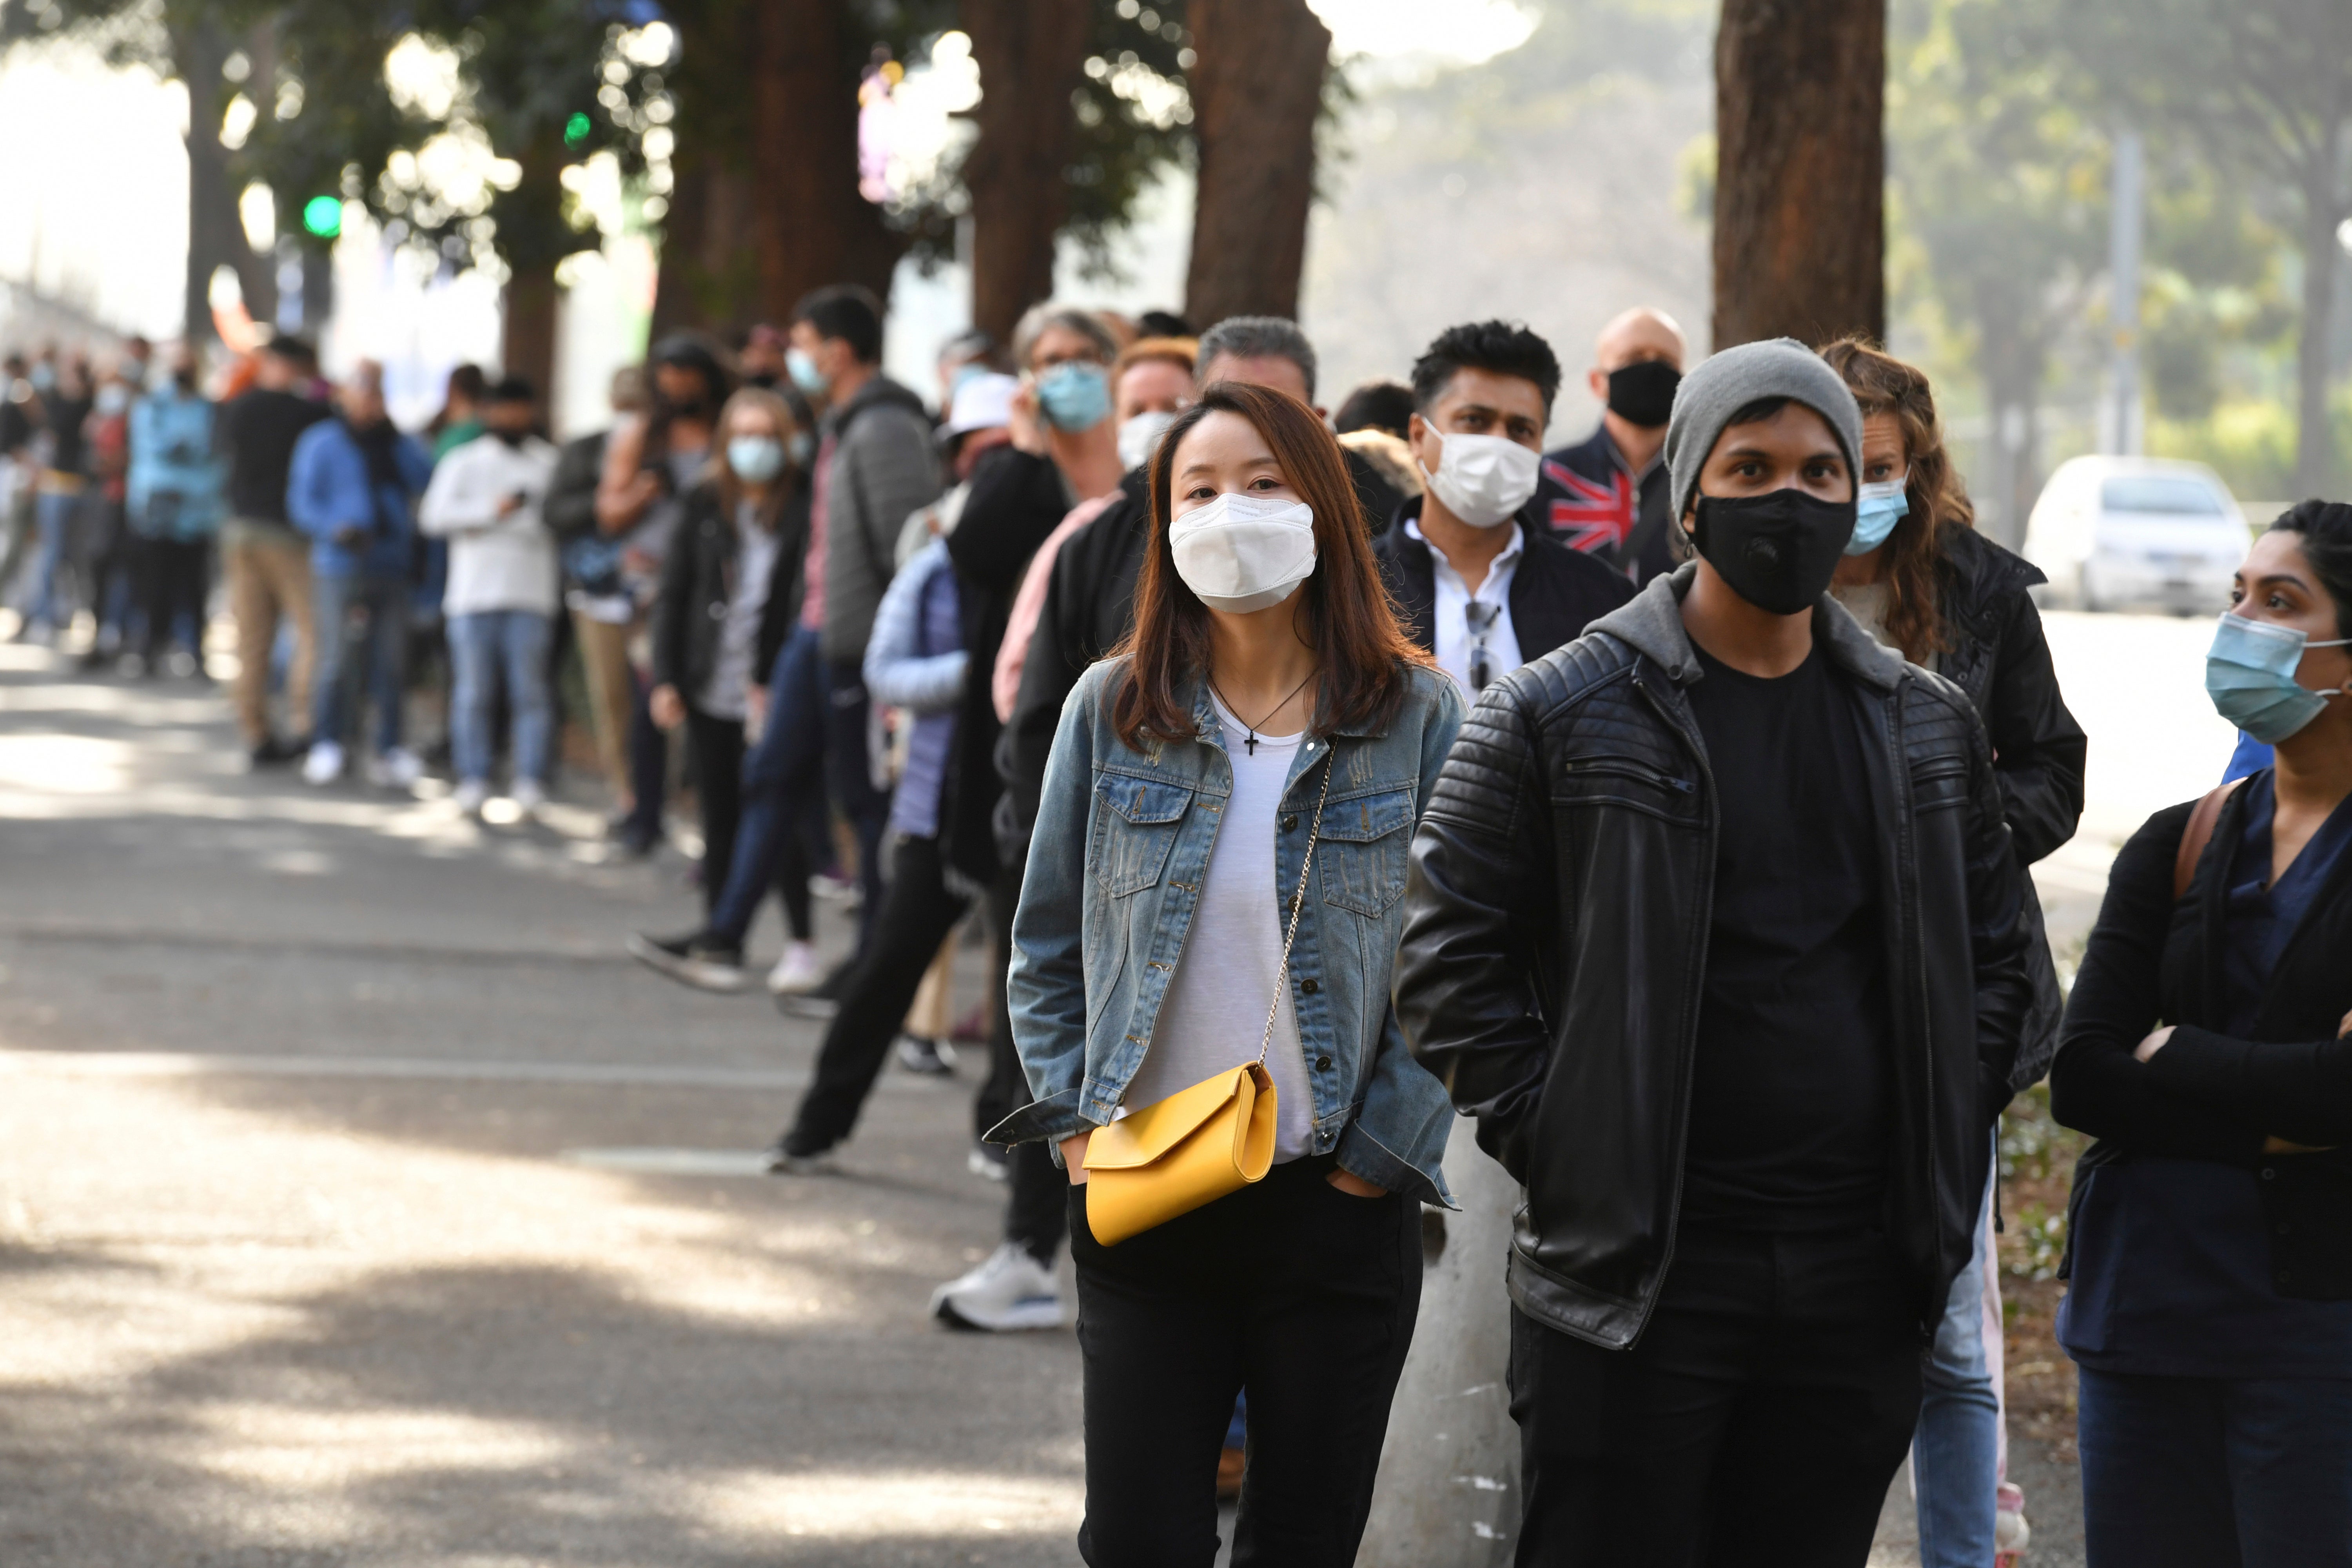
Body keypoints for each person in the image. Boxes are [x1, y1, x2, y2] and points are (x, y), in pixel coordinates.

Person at [1394, 337, 2032, 1563]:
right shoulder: (1557, 709)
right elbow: (1443, 955)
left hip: (1856, 1281)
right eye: (1748, 466)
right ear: (1687, 494)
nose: (1786, 499)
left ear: (1856, 496)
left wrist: (1937, 1133)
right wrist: (1569, 1132)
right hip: (1635, 1281)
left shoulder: (1923, 724)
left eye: (1815, 470)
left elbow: (2003, 969)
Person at [993, 381, 1463, 1563]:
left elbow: (1458, 967)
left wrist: (1376, 1159)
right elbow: (1043, 943)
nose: (1229, 512)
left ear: (1319, 506)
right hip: (1149, 1193)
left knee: (1300, 1540)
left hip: (1333, 1202)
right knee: (1138, 1541)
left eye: (1261, 483)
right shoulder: (1113, 708)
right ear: (1161, 524)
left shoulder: (1417, 716)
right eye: (1197, 489)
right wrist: (1075, 1131)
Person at [1821, 338, 2086, 1566]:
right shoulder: (1743, 573)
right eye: (1829, 463)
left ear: (1915, 466)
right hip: (1786, 995)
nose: (1849, 490)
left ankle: (1959, 1547)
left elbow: (2052, 771)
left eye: (1876, 465)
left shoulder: (1978, 593)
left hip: (1947, 995)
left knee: (1949, 1333)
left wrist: (1959, 831)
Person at [2050, 499, 2352, 1568]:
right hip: (2145, 1316)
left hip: (2309, 1341)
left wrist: (2175, 1051)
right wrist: (2276, 1125)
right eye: (2238, 596)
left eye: (2282, 602)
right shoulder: (2180, 840)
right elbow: (2084, 1074)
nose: (2243, 625)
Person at [624, 380, 827, 995]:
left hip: (777, 681)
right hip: (711, 679)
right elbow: (675, 593)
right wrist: (667, 678)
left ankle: (801, 943)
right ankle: (722, 935)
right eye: (742, 437)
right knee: (720, 810)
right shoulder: (706, 499)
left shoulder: (805, 502)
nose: (754, 449)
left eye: (766, 437)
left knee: (781, 808)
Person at [785, 284, 942, 976]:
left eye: (802, 345)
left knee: (872, 807)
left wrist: (891, 647)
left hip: (868, 654)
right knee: (840, 796)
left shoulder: (882, 428)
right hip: (835, 640)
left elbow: (904, 549)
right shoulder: (846, 422)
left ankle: (874, 958)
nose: (798, 360)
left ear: (837, 350)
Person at [1373, 321, 1635, 695]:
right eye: (1475, 421)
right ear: (1419, 436)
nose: (1498, 444)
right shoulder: (1352, 590)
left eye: (1520, 430)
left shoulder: (1601, 601)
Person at [597, 335, 733, 853]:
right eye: (668, 380)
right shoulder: (640, 436)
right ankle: (645, 816)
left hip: (714, 581)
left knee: (711, 698)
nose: (677, 391)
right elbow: (608, 514)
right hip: (652, 584)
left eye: (688, 380)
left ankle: (706, 817)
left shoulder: (727, 431)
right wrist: (642, 492)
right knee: (653, 696)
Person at [415, 377, 561, 815]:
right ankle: (474, 776)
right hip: (473, 596)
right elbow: (433, 517)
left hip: (531, 593)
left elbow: (555, 520)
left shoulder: (549, 464)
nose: (512, 418)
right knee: (473, 693)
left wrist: (504, 522)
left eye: (520, 409)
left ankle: (530, 778)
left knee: (530, 693)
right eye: (504, 409)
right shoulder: (464, 461)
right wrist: (489, 513)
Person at [287, 361, 433, 789]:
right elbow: (302, 503)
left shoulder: (397, 445)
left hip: (391, 564)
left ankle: (390, 748)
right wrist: (335, 528)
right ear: (344, 395)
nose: (370, 399)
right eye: (363, 389)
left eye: (377, 390)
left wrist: (396, 439)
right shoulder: (322, 443)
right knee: (335, 659)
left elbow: (425, 480)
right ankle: (329, 742)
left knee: (391, 662)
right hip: (339, 565)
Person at [215, 334, 329, 766]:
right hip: (286, 534)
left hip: (241, 530)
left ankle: (255, 731)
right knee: (312, 631)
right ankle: (305, 723)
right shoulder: (308, 412)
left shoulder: (238, 406)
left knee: (252, 640)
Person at [546, 366, 648, 822]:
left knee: (656, 697)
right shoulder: (584, 451)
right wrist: (605, 504)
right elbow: (556, 510)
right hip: (596, 589)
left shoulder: (661, 454)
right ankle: (626, 794)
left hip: (649, 592)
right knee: (612, 699)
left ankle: (656, 792)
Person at [1534, 306, 1688, 583]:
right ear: (1597, 382)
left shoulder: (1700, 481)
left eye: (1666, 362)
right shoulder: (1548, 477)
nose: (1652, 370)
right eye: (1634, 358)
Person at [124, 347, 223, 675]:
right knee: (155, 586)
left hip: (197, 514)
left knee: (195, 587)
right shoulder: (152, 406)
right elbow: (155, 449)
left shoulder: (208, 410)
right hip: (157, 513)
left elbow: (212, 452)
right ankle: (149, 649)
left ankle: (195, 650)